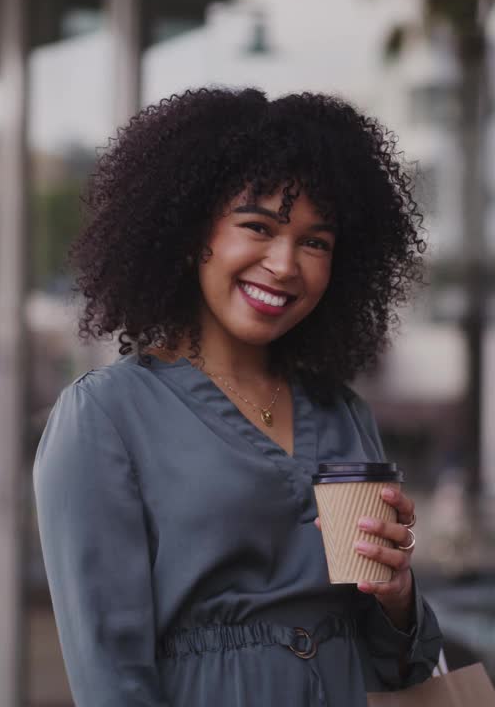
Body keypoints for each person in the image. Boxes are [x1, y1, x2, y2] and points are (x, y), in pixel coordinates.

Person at [33, 88, 444, 707]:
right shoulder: (107, 418)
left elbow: (399, 666)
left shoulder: (342, 415)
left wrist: (397, 596)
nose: (284, 264)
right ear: (193, 230)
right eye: (258, 227)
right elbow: (109, 675)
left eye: (316, 242)